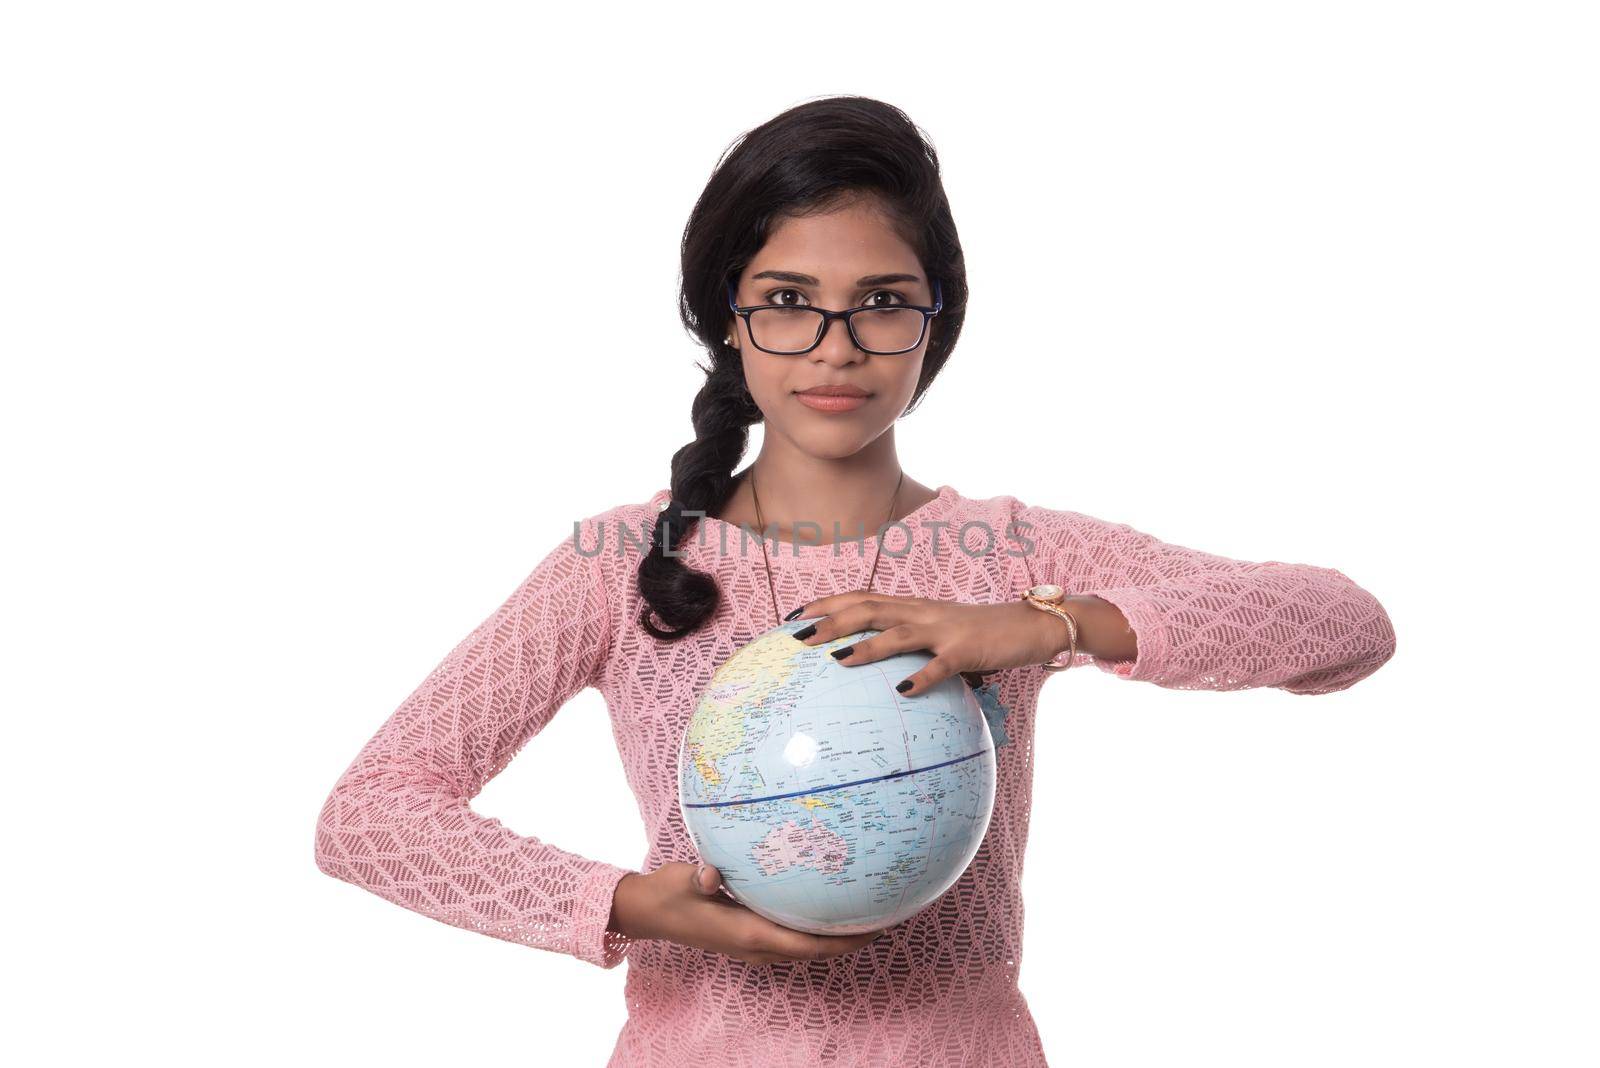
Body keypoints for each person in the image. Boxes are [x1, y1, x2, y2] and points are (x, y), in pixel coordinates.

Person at [313, 95, 1397, 1067]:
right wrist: (631, 907)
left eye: (882, 301)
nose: (835, 347)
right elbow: (370, 814)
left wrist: (1038, 627)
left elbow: (1343, 624)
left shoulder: (1009, 557)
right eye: (787, 298)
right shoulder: (624, 563)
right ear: (726, 317)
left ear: (936, 325)